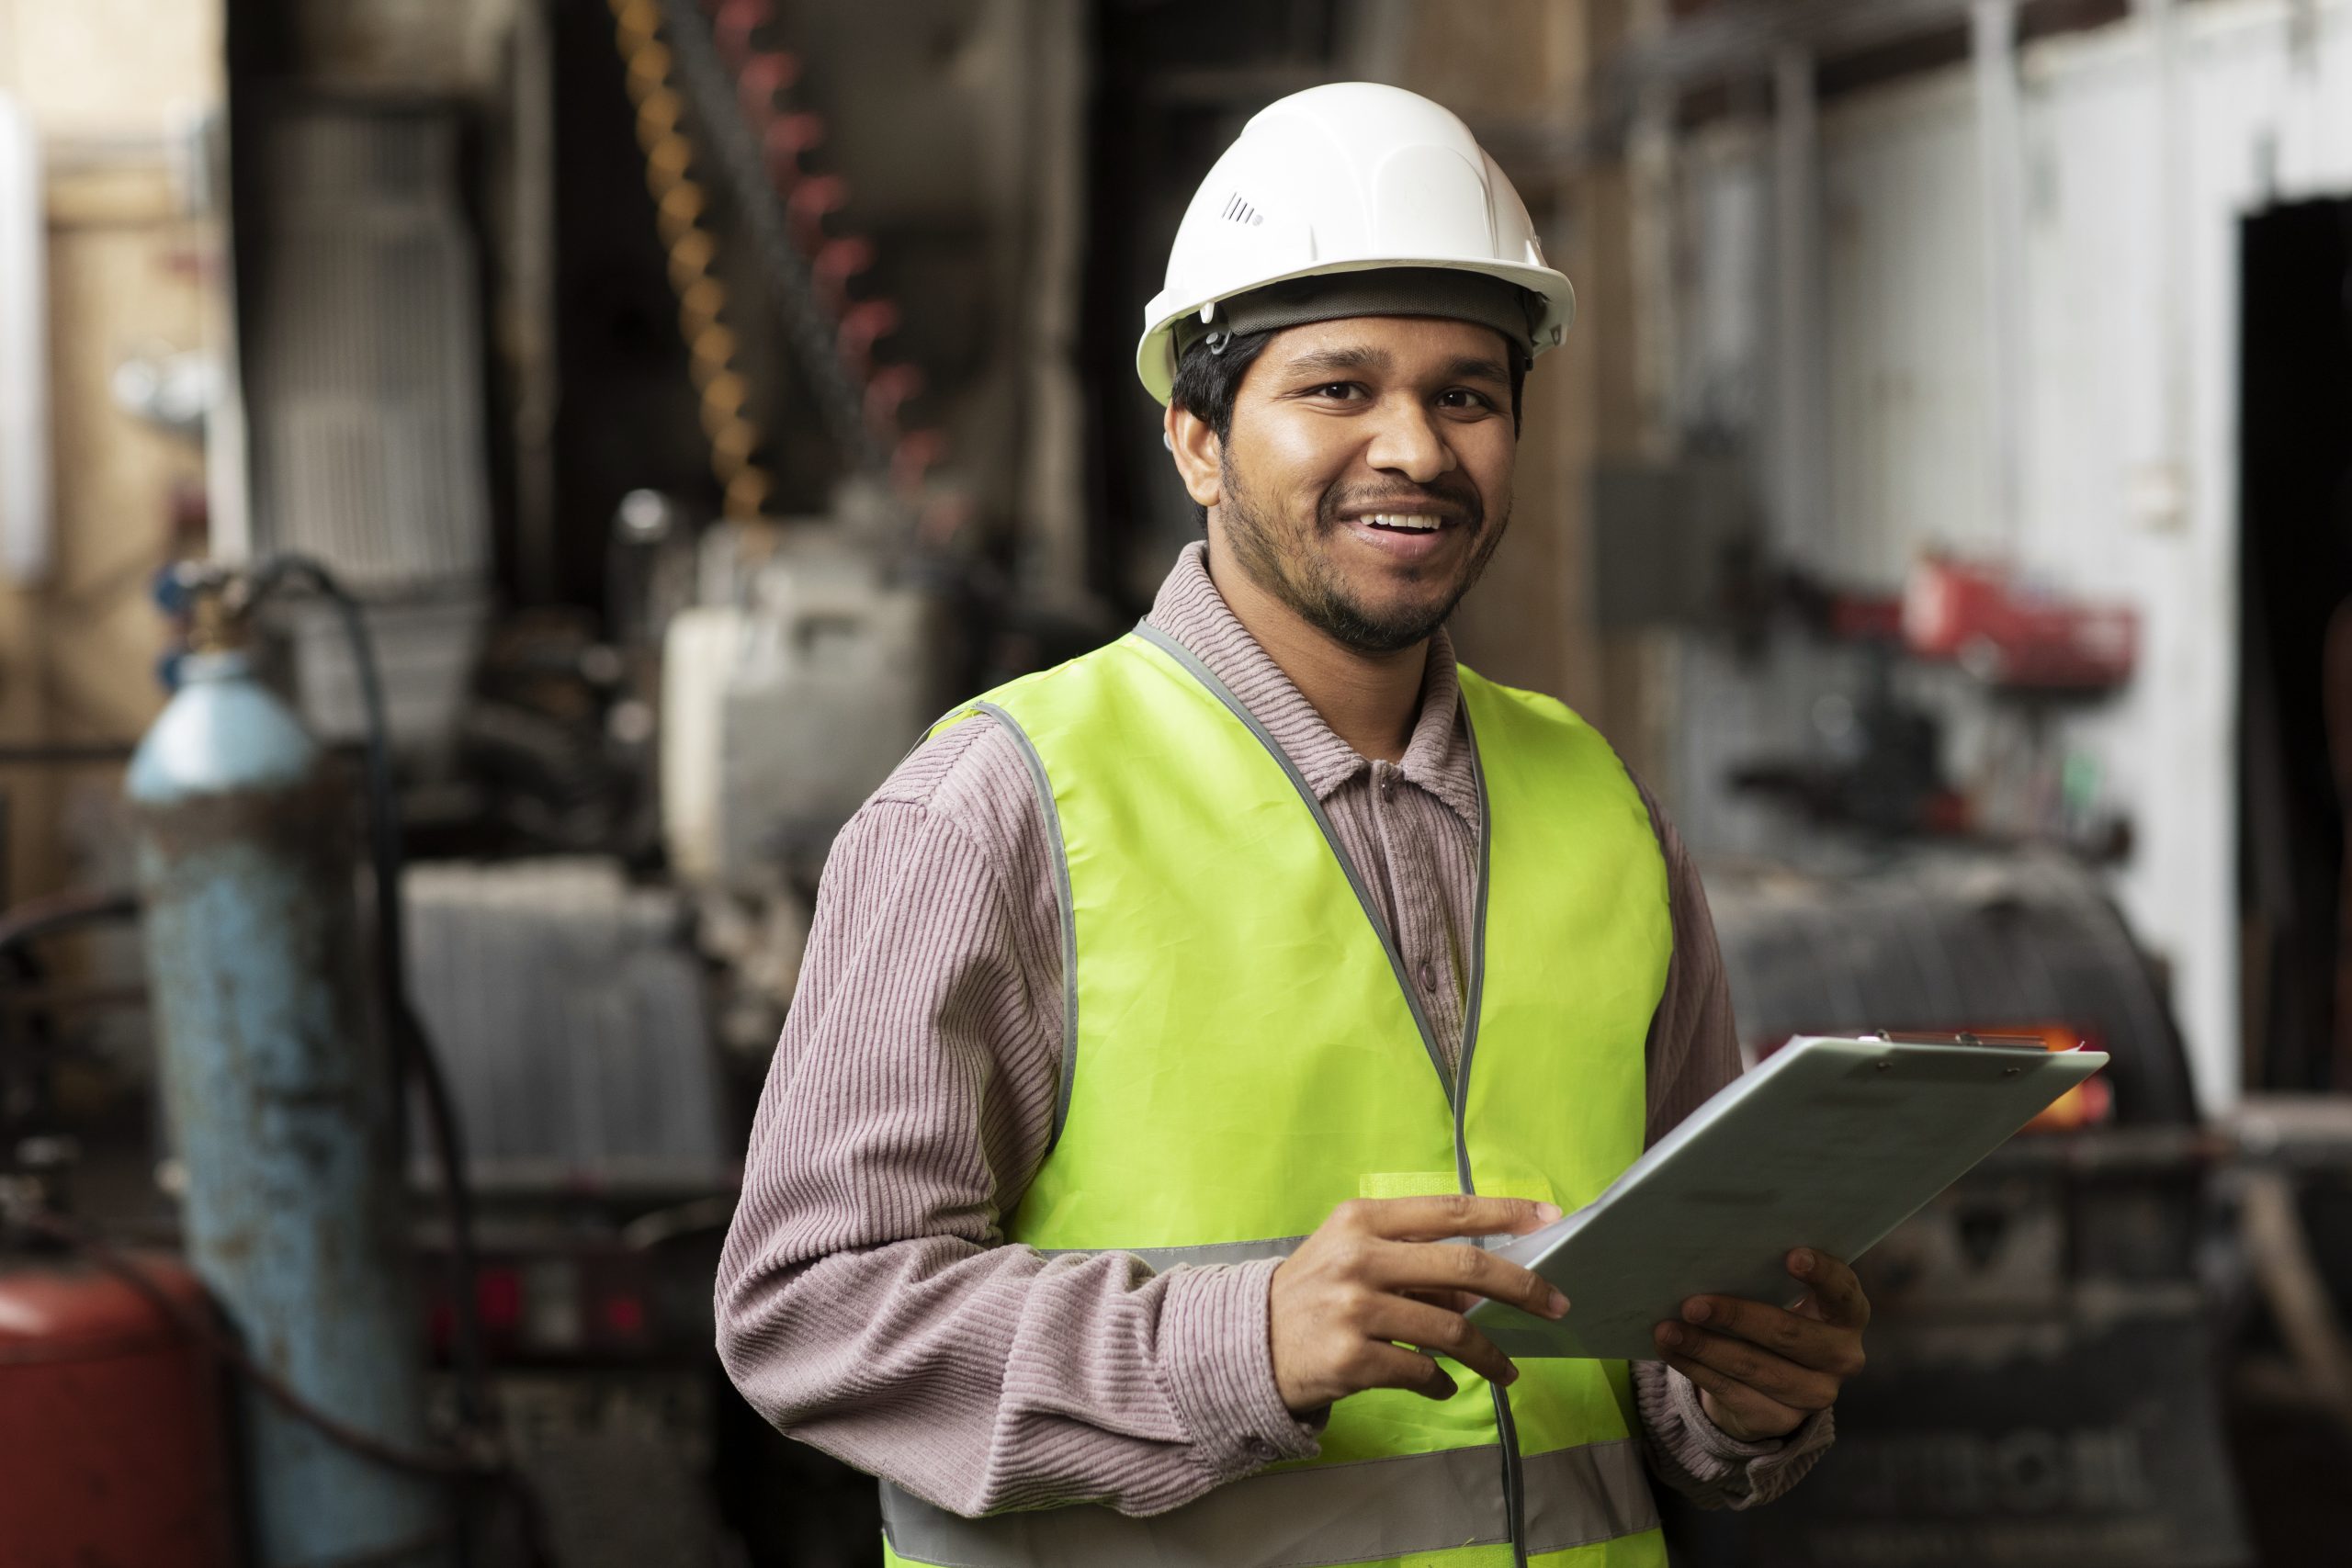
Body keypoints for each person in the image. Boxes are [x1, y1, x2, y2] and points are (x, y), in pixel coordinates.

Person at [716, 82, 1868, 1567]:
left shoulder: (1603, 807)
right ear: (1198, 440)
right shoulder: (1000, 807)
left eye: (1466, 394)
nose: (1416, 448)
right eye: (1339, 389)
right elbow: (810, 1310)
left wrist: (1747, 1392)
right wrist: (1234, 1339)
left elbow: (1658, 1344)